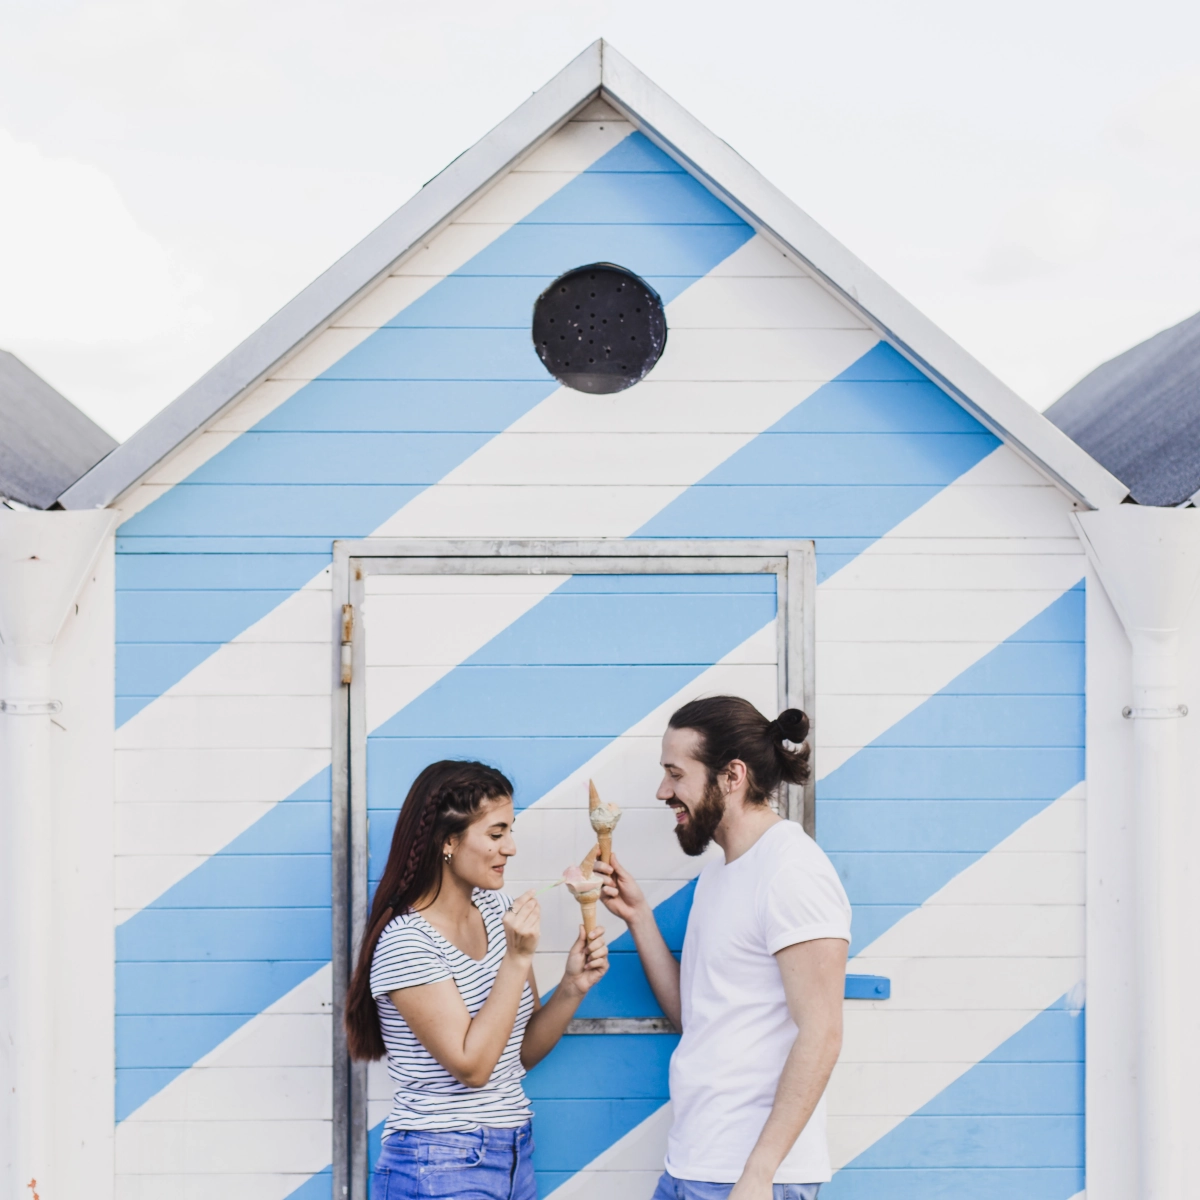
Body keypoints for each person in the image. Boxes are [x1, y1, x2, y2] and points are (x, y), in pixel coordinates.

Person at [596, 697, 851, 1200]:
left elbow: (821, 1034)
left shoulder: (791, 870)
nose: (662, 791)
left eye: (675, 774)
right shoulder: (721, 870)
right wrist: (640, 917)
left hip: (748, 1179)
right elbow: (698, 1015)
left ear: (731, 776)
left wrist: (759, 1174)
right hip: (694, 1163)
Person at [345, 759, 609, 1200]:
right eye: (496, 833)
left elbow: (517, 1054)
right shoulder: (407, 943)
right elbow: (472, 1066)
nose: (511, 848)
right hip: (440, 1162)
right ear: (448, 841)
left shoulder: (493, 910)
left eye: (510, 831)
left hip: (513, 1153)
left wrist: (571, 987)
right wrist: (517, 958)